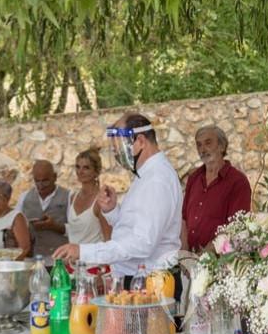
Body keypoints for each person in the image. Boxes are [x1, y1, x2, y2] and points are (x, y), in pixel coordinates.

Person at [53, 114, 182, 295]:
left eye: (120, 147)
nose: (118, 154)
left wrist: (83, 252)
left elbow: (142, 243)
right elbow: (133, 227)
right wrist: (113, 211)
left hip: (152, 283)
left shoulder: (157, 179)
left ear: (140, 141)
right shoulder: (146, 175)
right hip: (140, 279)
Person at [181, 125, 252, 253]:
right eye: (199, 145)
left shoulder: (238, 182)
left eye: (208, 143)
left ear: (222, 146)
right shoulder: (194, 178)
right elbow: (184, 219)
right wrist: (185, 255)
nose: (202, 149)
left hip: (219, 261)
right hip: (189, 258)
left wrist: (203, 257)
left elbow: (235, 227)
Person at [18, 159, 70, 259]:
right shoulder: (24, 198)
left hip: (60, 259)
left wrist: (55, 226)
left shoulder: (68, 197)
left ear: (55, 177)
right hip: (32, 258)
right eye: (37, 181)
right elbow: (18, 227)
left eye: (45, 181)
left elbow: (75, 230)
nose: (41, 186)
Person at [66, 149, 112, 246]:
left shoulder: (101, 200)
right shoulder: (72, 197)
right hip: (72, 255)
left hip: (94, 255)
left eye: (86, 168)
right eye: (78, 167)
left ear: (96, 172)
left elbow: (108, 239)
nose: (80, 171)